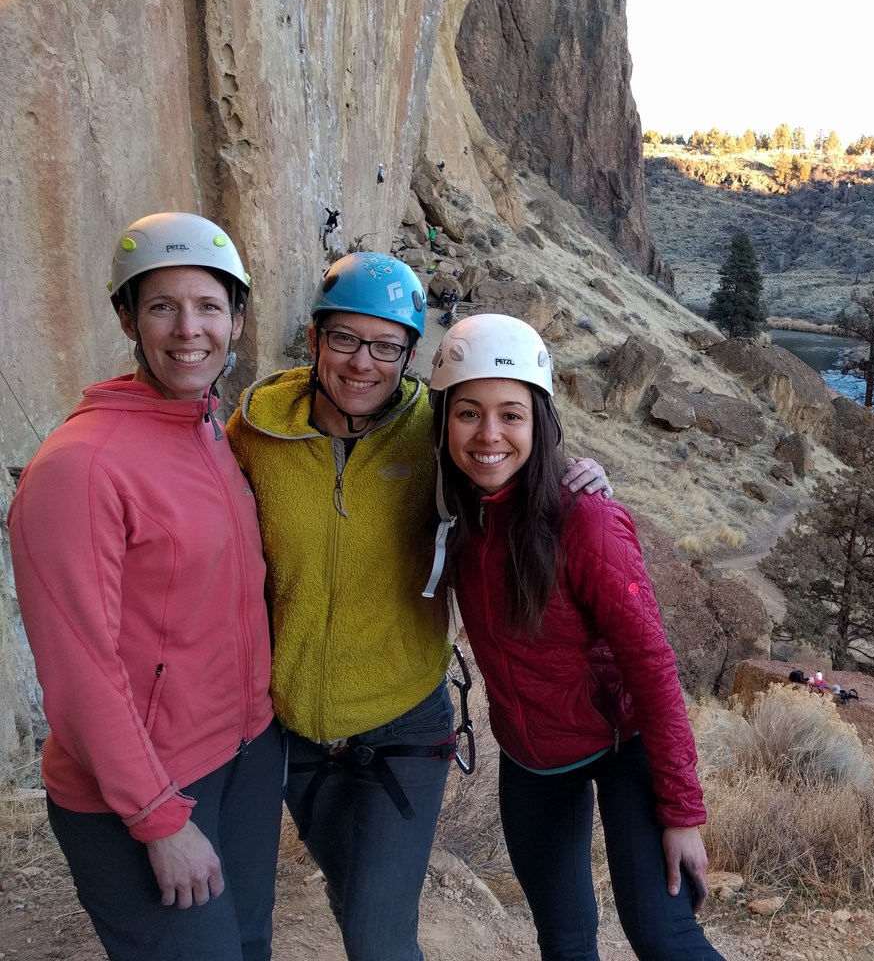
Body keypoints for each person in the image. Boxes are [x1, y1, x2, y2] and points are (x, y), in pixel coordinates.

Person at [227, 252, 607, 961]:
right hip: (297, 730)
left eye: (386, 345)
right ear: (313, 340)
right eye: (343, 338)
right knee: (352, 899)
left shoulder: (434, 430)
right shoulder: (259, 434)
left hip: (401, 726)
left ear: (409, 355)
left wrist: (578, 474)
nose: (362, 362)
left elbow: (505, 451)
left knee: (377, 935)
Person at [8, 212, 283, 960]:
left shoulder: (206, 432)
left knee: (248, 945)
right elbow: (78, 673)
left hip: (244, 755)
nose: (188, 329)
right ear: (127, 318)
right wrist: (158, 816)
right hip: (145, 787)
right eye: (162, 306)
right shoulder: (81, 467)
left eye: (208, 307)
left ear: (234, 318)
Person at [427, 313, 725, 961]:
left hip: (624, 748)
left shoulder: (585, 519)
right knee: (563, 942)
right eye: (468, 413)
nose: (489, 435)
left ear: (540, 421)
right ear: (443, 421)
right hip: (533, 762)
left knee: (664, 935)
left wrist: (681, 811)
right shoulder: (452, 513)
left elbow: (651, 665)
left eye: (511, 414)